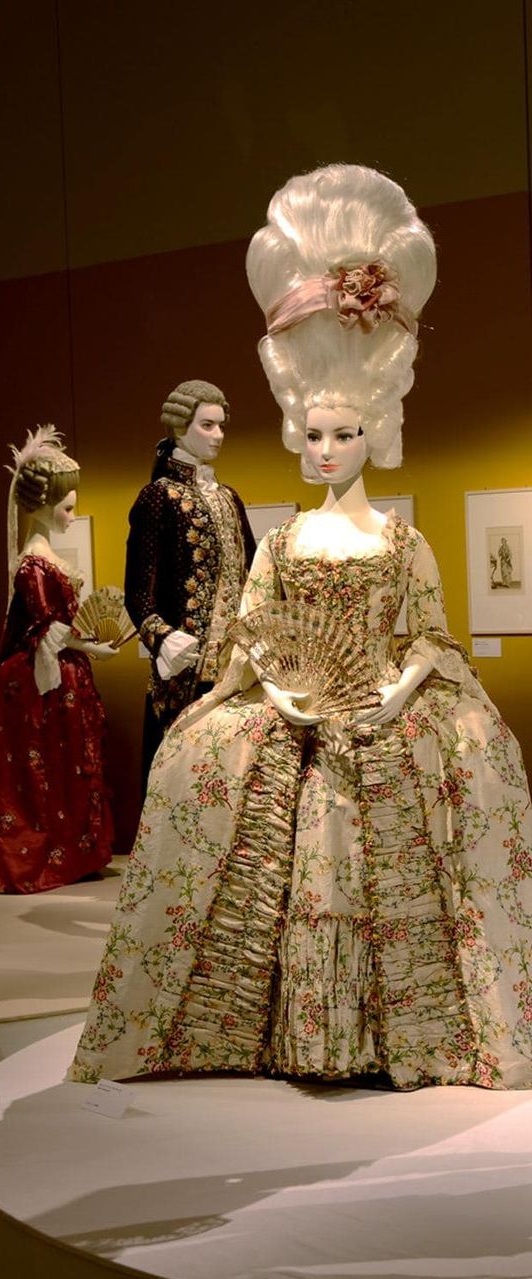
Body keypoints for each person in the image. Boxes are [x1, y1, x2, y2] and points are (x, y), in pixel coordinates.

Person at [71, 165, 532, 1090]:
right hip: (301, 728)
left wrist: (391, 695)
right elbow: (252, 638)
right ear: (298, 429)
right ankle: (294, 1035)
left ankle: (401, 1033)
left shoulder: (401, 541)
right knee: (253, 843)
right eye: (314, 435)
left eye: (343, 435)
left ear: (374, 432)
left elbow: (432, 641)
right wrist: (279, 691)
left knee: (412, 863)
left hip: (382, 725)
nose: (326, 448)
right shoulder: (283, 542)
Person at [0, 425, 116, 894]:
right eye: (69, 507)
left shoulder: (45, 557)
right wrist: (91, 645)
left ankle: (76, 849)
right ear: (40, 504)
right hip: (38, 678)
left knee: (70, 761)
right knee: (42, 768)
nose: (73, 516)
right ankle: (41, 855)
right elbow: (45, 628)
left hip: (62, 674)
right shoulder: (33, 564)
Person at [125, 381, 255, 783]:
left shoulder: (229, 497)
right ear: (181, 427)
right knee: (180, 775)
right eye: (207, 425)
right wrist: (163, 637)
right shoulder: (158, 497)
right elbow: (137, 590)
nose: (217, 435)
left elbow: (252, 572)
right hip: (185, 670)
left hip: (235, 666)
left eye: (220, 426)